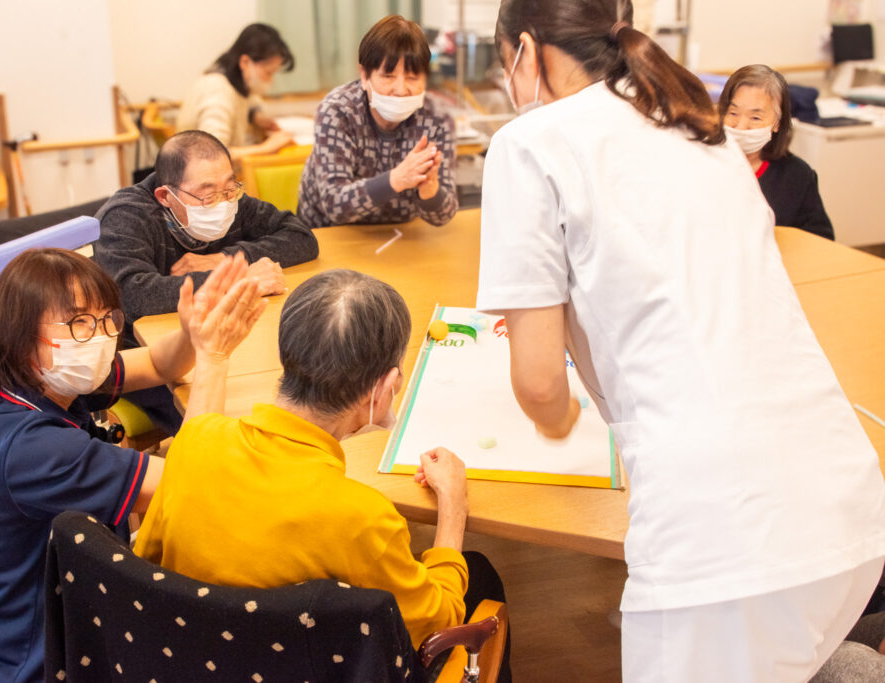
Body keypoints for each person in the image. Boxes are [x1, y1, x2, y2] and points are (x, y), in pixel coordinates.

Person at [477, 1, 885, 681]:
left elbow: (540, 383)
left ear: (525, 50)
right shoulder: (698, 126)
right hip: (845, 498)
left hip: (722, 530)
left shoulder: (530, 143)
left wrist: (561, 414)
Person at [135, 269, 510, 678]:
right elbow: (439, 622)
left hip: (193, 662)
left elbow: (148, 563)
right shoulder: (363, 518)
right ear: (382, 387)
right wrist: (453, 509)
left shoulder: (194, 440)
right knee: (479, 573)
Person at [0, 249, 265, 683]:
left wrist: (192, 333)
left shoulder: (17, 381)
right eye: (79, 322)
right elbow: (191, 481)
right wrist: (214, 357)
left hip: (7, 633)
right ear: (21, 334)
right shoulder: (34, 450)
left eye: (106, 319)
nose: (99, 337)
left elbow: (157, 363)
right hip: (27, 663)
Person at [95, 130, 318, 435]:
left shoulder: (229, 201)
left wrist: (226, 258)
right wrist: (235, 278)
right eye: (208, 195)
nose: (223, 203)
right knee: (227, 428)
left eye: (229, 188)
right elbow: (135, 295)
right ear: (165, 196)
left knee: (287, 398)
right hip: (147, 359)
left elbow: (301, 237)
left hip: (218, 341)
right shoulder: (126, 216)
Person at [297, 15, 458, 228]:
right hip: (329, 232)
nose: (401, 90)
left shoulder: (438, 119)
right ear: (365, 76)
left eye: (412, 77)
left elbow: (444, 216)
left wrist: (430, 189)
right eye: (388, 76)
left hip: (399, 233)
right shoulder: (338, 111)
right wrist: (397, 179)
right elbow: (335, 205)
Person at [719, 64, 834, 240]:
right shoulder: (701, 164)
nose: (741, 126)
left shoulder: (797, 175)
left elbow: (821, 239)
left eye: (755, 117)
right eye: (733, 113)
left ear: (777, 123)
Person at [176, 23, 296, 163]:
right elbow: (210, 154)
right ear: (245, 62)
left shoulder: (236, 83)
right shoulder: (217, 90)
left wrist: (256, 117)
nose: (271, 81)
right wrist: (266, 148)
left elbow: (251, 102)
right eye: (268, 73)